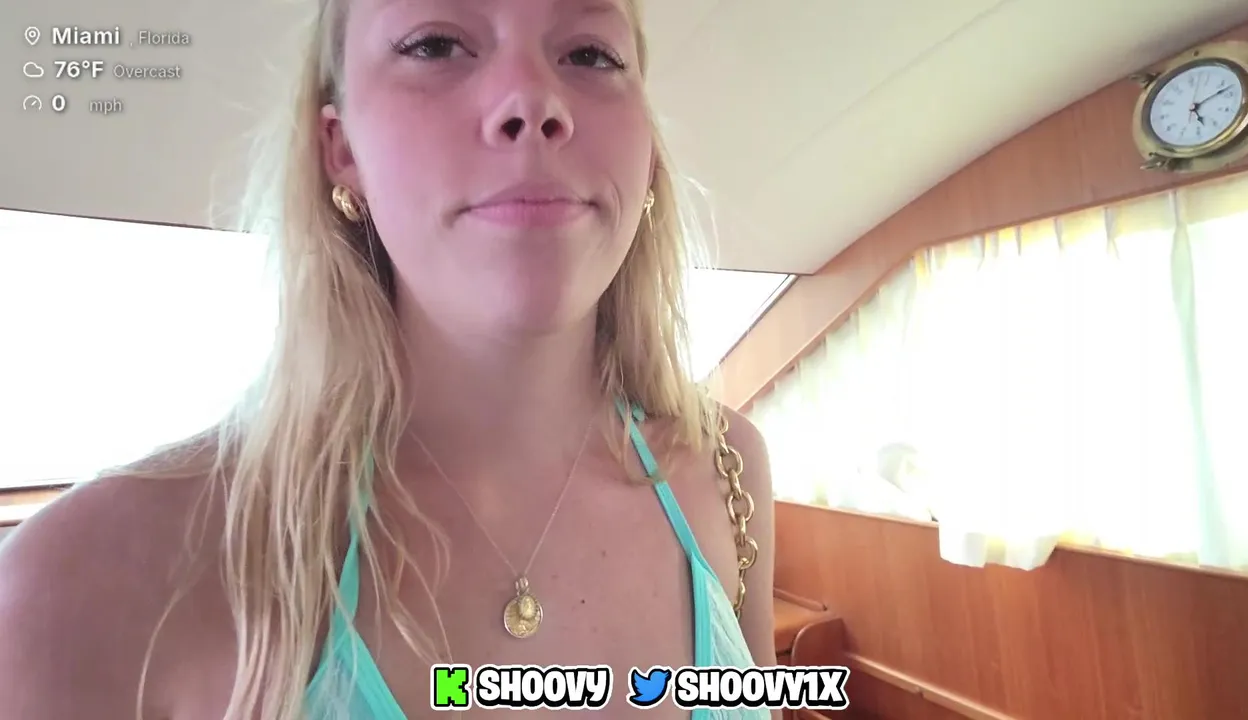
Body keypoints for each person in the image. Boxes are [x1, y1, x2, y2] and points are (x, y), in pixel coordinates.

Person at [0, 0, 778, 719]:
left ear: (647, 150)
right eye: (436, 45)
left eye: (590, 53)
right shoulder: (88, 589)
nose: (532, 100)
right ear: (342, 151)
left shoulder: (728, 471)